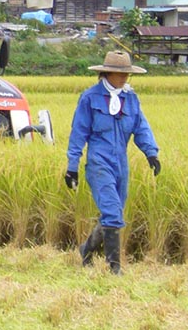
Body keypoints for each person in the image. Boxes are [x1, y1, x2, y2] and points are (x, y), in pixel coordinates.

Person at [65, 50, 161, 274]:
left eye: (127, 73)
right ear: (107, 73)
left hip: (121, 163)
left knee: (114, 212)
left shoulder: (131, 99)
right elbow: (78, 133)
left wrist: (151, 153)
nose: (124, 77)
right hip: (99, 161)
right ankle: (114, 268)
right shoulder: (90, 98)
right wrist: (72, 167)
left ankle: (86, 249)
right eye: (120, 73)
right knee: (112, 213)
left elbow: (141, 127)